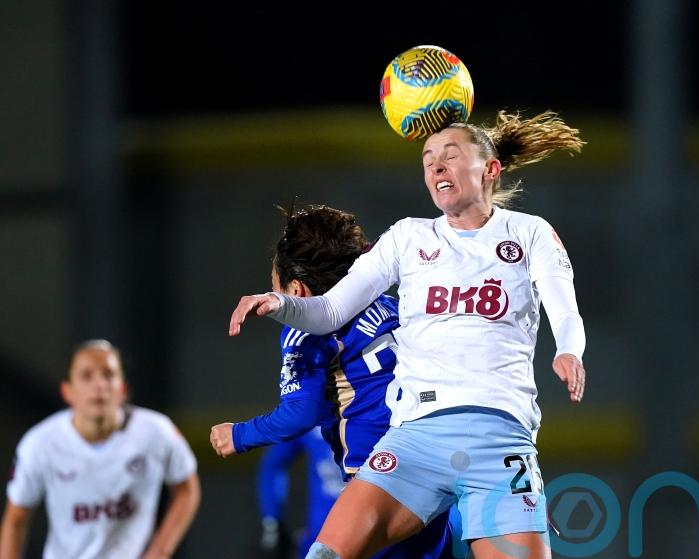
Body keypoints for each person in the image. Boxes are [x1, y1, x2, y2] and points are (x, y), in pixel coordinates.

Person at [228, 110, 588, 559]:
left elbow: (564, 306)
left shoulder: (530, 232)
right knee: (324, 554)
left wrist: (569, 351)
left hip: (499, 440)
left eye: (450, 156)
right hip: (415, 439)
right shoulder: (407, 237)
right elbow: (331, 309)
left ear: (490, 169)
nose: (436, 166)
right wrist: (281, 304)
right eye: (427, 159)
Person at [210, 205, 452, 559]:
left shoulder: (305, 331)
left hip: (380, 477)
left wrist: (239, 435)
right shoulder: (389, 305)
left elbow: (300, 413)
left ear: (296, 290)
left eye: (274, 283)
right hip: (437, 465)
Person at [0, 339, 200, 559]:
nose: (99, 385)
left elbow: (186, 489)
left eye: (108, 375)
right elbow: (16, 518)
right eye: (86, 376)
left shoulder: (156, 432)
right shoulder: (40, 444)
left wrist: (160, 550)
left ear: (123, 389)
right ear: (67, 391)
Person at [257, 428, 343, 558]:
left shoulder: (313, 414)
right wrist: (273, 521)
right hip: (324, 540)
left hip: (326, 540)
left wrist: (273, 522)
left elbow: (273, 465)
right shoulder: (313, 413)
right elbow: (273, 465)